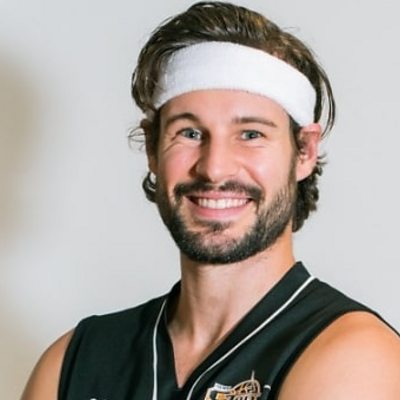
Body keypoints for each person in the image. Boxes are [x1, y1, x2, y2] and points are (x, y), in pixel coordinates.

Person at [21, 2, 400, 399]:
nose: (215, 169)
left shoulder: (351, 355)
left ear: (304, 151)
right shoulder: (73, 360)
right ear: (152, 149)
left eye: (251, 134)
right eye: (189, 133)